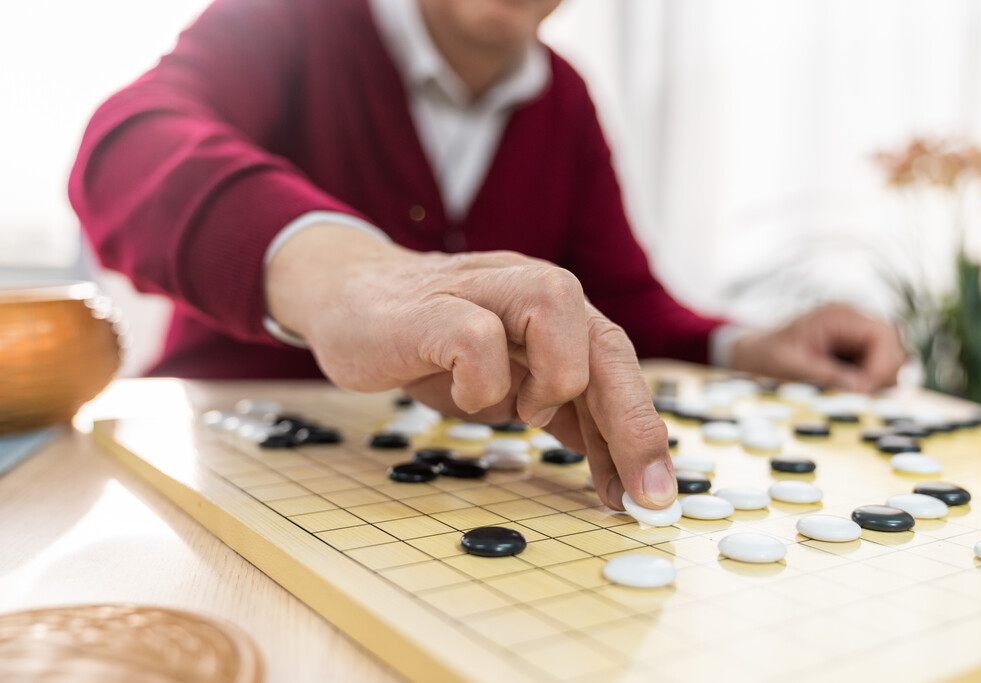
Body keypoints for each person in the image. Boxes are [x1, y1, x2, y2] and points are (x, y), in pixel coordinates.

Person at [69, 0, 904, 514]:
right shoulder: (294, 17)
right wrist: (349, 277)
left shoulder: (566, 99)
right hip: (220, 471)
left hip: (444, 496)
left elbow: (622, 300)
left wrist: (751, 345)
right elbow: (122, 148)